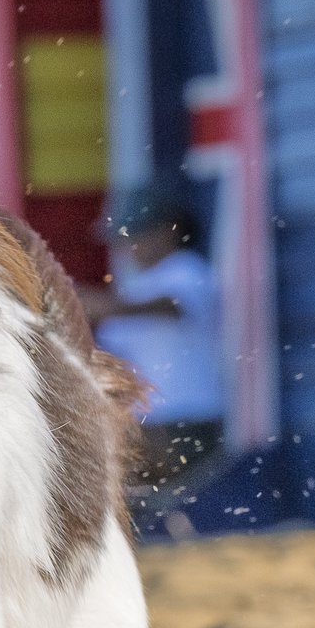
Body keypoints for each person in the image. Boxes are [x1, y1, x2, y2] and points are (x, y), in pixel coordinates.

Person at [83, 190, 224, 492]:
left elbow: (174, 305)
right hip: (150, 422)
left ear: (168, 229)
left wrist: (103, 307)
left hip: (188, 422)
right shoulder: (133, 285)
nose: (129, 246)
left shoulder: (187, 269)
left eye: (136, 235)